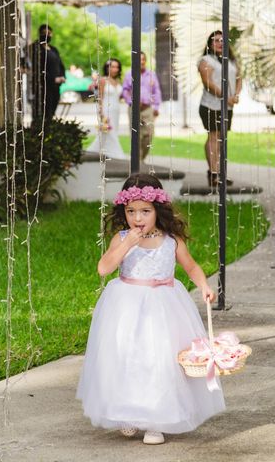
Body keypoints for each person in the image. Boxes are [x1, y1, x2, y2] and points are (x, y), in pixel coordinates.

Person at [77, 173, 225, 445]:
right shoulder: (121, 239)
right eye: (131, 211)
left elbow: (190, 266)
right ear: (124, 211)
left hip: (163, 308)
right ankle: (129, 413)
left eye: (145, 211)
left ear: (158, 210)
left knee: (159, 362)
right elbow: (103, 268)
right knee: (129, 360)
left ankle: (156, 421)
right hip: (127, 306)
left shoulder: (172, 240)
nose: (138, 218)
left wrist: (203, 284)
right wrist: (126, 244)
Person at [197, 30, 242, 188]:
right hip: (211, 105)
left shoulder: (231, 61)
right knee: (214, 137)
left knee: (222, 139)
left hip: (227, 107)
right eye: (215, 40)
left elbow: (239, 78)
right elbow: (208, 83)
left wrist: (235, 95)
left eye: (222, 40)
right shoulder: (206, 60)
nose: (219, 43)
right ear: (210, 43)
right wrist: (226, 97)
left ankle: (220, 172)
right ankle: (213, 174)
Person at [121, 52, 162, 161]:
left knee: (149, 135)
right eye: (139, 59)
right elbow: (125, 90)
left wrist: (156, 107)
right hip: (133, 109)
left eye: (143, 59)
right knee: (136, 137)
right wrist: (131, 101)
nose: (142, 62)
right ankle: (137, 163)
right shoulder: (129, 74)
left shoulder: (151, 74)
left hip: (147, 109)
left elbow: (156, 91)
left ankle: (141, 160)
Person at [86, 59, 128, 159]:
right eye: (112, 66)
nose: (115, 69)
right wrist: (101, 112)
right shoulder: (103, 80)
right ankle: (117, 155)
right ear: (107, 68)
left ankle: (98, 151)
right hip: (106, 109)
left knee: (108, 132)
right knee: (109, 131)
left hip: (116, 110)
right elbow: (100, 97)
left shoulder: (118, 81)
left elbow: (120, 96)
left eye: (117, 67)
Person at [27, 24, 66, 122]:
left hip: (55, 86)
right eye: (44, 33)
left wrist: (62, 76)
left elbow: (61, 65)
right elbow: (36, 68)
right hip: (42, 87)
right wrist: (52, 78)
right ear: (40, 34)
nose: (47, 35)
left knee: (51, 112)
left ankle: (49, 131)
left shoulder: (54, 49)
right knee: (43, 112)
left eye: (49, 33)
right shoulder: (35, 48)